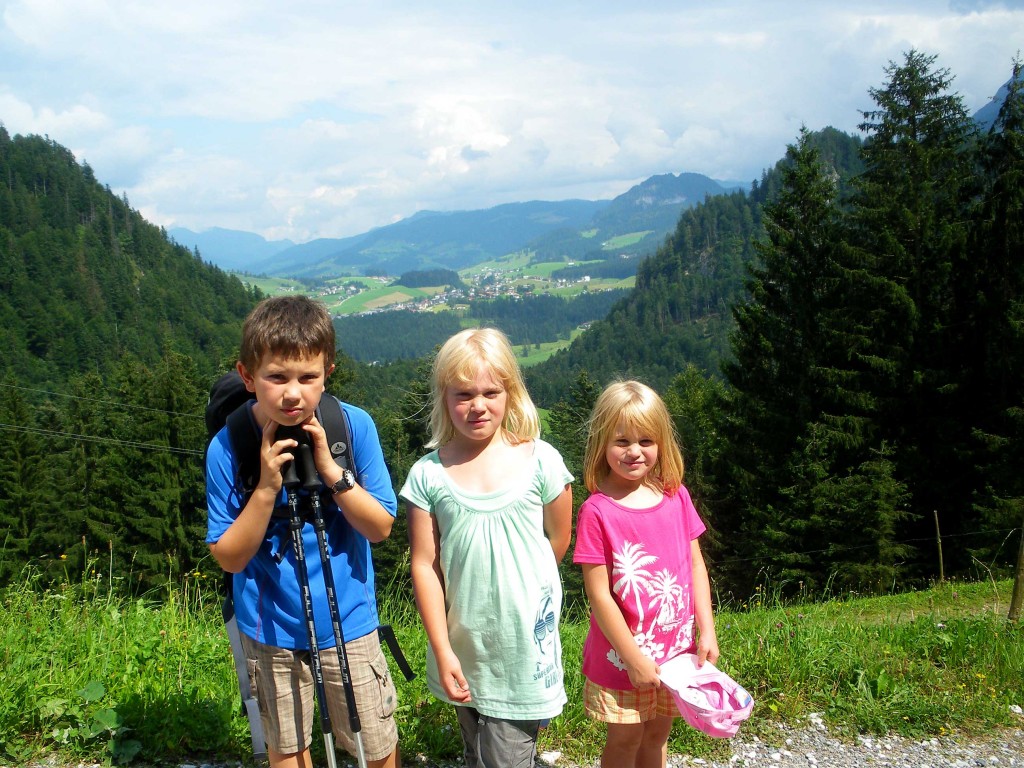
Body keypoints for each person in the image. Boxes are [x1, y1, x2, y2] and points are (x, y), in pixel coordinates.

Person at [206, 295, 400, 768]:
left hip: (350, 622)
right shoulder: (229, 446)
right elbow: (229, 556)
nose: (293, 393)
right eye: (276, 377)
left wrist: (332, 472)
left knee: (374, 745)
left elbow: (380, 527)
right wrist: (267, 487)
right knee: (288, 749)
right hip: (269, 627)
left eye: (308, 377)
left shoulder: (351, 426)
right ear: (248, 376)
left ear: (327, 372)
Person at [400, 327, 573, 768]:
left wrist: (524, 584)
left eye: (490, 392)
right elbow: (425, 565)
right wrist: (441, 649)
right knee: (477, 749)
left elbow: (558, 539)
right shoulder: (428, 476)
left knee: (506, 756)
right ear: (444, 397)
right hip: (464, 646)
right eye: (463, 394)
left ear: (510, 393)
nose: (477, 405)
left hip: (522, 649)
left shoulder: (542, 461)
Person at [573, 380, 719, 768]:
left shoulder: (675, 495)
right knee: (626, 739)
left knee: (657, 735)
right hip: (624, 659)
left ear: (662, 443)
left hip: (676, 654)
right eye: (622, 441)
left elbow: (696, 566)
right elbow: (599, 595)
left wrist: (707, 630)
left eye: (646, 440)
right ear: (602, 444)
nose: (634, 451)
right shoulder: (597, 511)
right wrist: (634, 658)